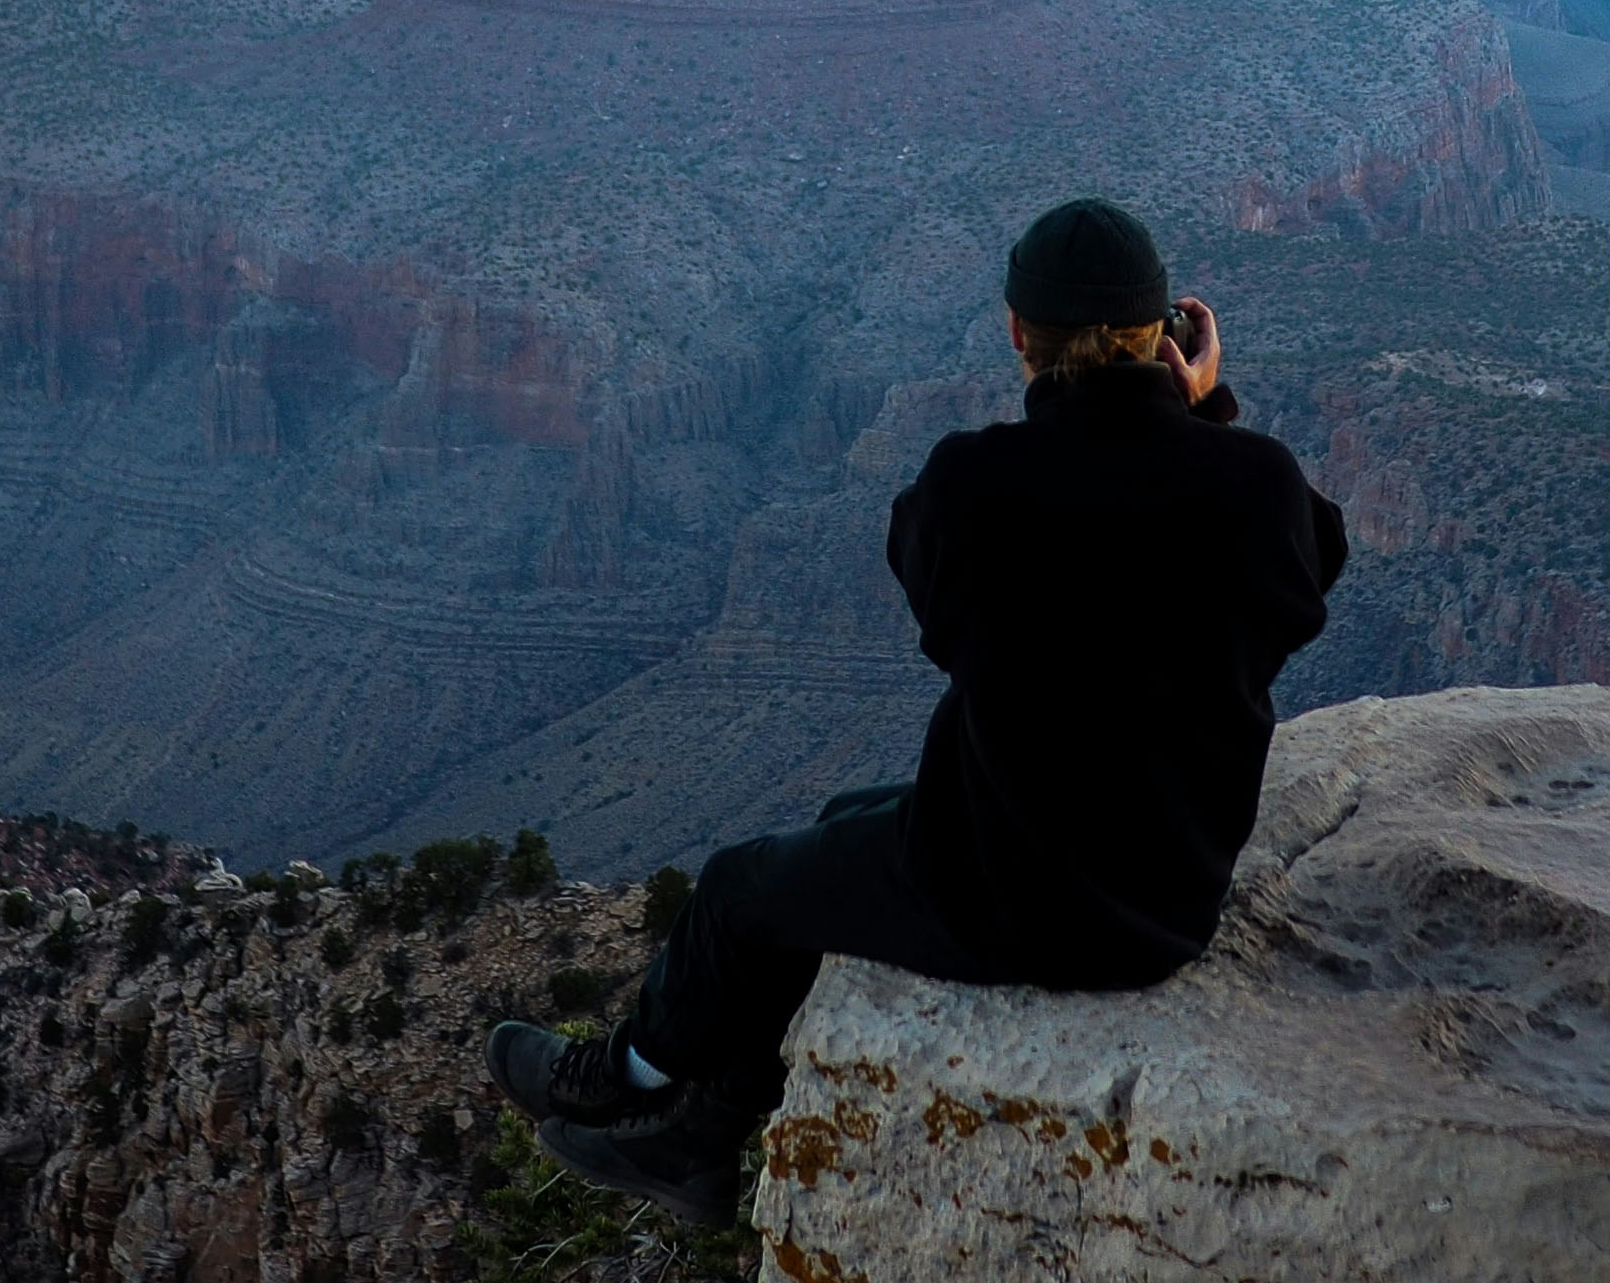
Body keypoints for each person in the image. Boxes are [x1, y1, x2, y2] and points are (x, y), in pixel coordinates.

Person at [483, 195, 1350, 1223]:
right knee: (848, 811)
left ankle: (628, 1077)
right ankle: (702, 1137)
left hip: (1014, 896)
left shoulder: (975, 486)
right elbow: (1312, 570)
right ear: (1165, 334)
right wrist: (1200, 413)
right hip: (1168, 891)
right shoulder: (1256, 486)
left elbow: (929, 589)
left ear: (1019, 334)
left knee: (737, 887)